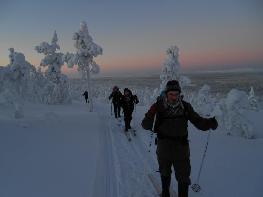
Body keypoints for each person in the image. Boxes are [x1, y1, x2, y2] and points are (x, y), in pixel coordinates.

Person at [141, 80, 218, 197]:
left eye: (176, 94)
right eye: (171, 94)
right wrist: (151, 113)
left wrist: (209, 123)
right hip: (163, 147)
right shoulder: (159, 107)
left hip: (181, 149)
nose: (174, 97)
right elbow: (145, 125)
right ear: (166, 94)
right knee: (164, 171)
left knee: (183, 176)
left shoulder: (186, 107)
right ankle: (165, 193)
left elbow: (197, 121)